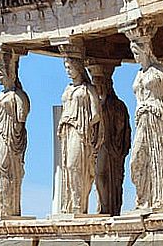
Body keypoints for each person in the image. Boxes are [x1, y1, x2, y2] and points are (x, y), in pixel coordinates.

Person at [129, 39, 163, 208]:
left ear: (146, 51)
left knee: (159, 157)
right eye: (133, 54)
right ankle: (143, 198)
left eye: (137, 53)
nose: (135, 58)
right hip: (142, 120)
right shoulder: (138, 74)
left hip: (157, 118)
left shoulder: (160, 71)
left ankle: (161, 199)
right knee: (136, 160)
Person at [58, 57, 102, 214]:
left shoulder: (88, 89)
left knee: (74, 165)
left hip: (80, 131)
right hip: (67, 131)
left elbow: (96, 114)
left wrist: (85, 126)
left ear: (78, 68)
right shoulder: (67, 89)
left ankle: (79, 205)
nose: (68, 71)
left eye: (70, 67)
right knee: (67, 168)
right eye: (66, 68)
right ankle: (69, 204)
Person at [0, 52, 30, 216]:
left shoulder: (18, 95)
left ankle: (10, 209)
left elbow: (22, 116)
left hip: (10, 137)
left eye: (1, 73)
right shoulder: (1, 95)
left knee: (6, 169)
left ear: (10, 74)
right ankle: (2, 207)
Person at [95, 68, 131, 216]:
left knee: (106, 176)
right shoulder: (100, 104)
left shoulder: (117, 105)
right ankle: (104, 206)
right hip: (101, 144)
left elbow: (121, 126)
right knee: (99, 175)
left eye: (97, 85)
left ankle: (109, 208)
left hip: (111, 145)